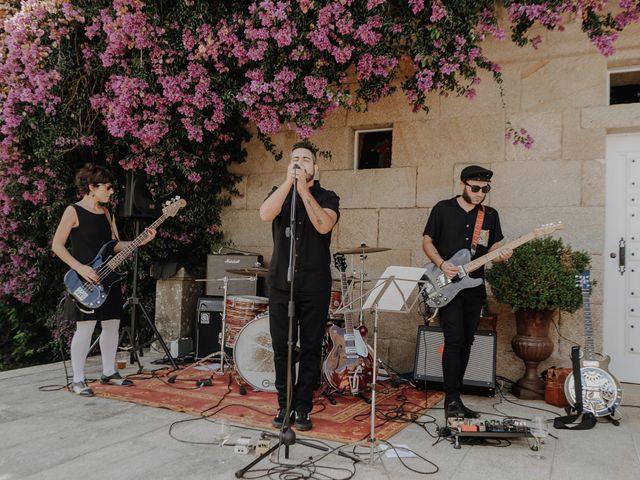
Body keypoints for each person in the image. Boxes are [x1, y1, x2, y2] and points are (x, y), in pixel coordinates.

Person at [52, 163, 156, 396]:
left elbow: (115, 245)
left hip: (108, 278)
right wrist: (80, 268)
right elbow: (57, 245)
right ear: (92, 187)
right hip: (84, 280)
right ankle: (78, 379)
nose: (111, 192)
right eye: (107, 188)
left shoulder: (107, 213)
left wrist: (141, 241)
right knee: (85, 328)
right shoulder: (73, 211)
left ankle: (109, 372)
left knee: (112, 325)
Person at [259, 140, 340, 431]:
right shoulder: (279, 194)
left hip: (315, 284)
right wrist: (288, 183)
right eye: (295, 158)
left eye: (306, 159)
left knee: (309, 347)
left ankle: (304, 406)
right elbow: (265, 213)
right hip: (281, 282)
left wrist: (304, 190)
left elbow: (323, 225)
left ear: (315, 168)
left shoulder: (328, 197)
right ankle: (285, 405)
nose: (299, 162)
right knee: (282, 347)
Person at [422, 165, 512, 419]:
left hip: (474, 286)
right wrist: (442, 264)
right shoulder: (443, 209)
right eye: (475, 188)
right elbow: (427, 241)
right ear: (463, 184)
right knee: (454, 340)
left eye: (485, 189)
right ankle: (451, 399)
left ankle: (456, 397)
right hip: (447, 285)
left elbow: (493, 246)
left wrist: (503, 254)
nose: (480, 193)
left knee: (468, 342)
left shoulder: (490, 215)